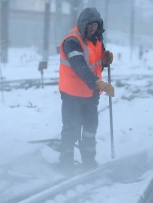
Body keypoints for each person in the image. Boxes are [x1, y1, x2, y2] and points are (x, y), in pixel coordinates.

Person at [58, 7, 114, 171]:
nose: (93, 28)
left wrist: (105, 60)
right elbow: (79, 66)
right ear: (83, 24)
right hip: (72, 94)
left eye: (96, 25)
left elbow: (96, 62)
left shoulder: (96, 40)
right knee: (71, 129)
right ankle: (66, 163)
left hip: (91, 94)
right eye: (90, 25)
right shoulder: (72, 41)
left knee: (90, 129)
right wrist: (99, 83)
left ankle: (89, 162)